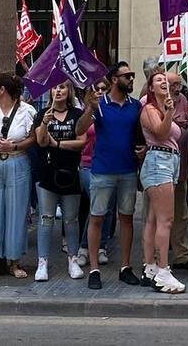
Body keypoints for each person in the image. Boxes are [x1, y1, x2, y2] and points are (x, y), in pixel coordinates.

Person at [76, 61, 144, 290]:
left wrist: (143, 150)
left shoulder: (136, 106)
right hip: (102, 170)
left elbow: (142, 135)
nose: (132, 79)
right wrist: (89, 109)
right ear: (114, 79)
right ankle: (94, 269)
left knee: (126, 218)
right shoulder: (100, 104)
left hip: (127, 170)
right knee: (97, 217)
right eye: (128, 76)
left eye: (132, 75)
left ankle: (125, 267)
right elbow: (79, 130)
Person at [0, 72, 36, 285]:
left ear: (2, 90)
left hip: (17, 161)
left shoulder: (27, 110)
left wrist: (15, 146)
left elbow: (33, 138)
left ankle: (14, 260)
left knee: (16, 212)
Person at [138, 69, 186, 293]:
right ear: (151, 88)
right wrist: (168, 112)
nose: (164, 82)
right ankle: (164, 271)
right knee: (166, 220)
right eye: (159, 80)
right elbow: (160, 132)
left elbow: (174, 133)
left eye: (166, 80)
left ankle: (150, 267)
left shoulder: (162, 109)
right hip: (159, 161)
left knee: (153, 219)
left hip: (167, 162)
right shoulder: (149, 108)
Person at [34, 80, 86, 282]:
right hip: (47, 173)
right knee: (46, 218)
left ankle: (73, 260)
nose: (59, 90)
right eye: (55, 87)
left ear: (69, 90)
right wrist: (46, 123)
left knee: (71, 220)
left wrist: (58, 144)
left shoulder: (77, 115)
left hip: (71, 172)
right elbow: (41, 141)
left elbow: (81, 142)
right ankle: (42, 262)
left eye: (63, 87)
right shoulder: (42, 114)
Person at [76, 78, 115, 268]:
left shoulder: (110, 110)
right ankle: (84, 247)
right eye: (96, 88)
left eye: (103, 89)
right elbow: (80, 134)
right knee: (97, 206)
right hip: (88, 164)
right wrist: (91, 109)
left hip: (109, 164)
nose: (100, 91)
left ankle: (101, 246)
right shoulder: (88, 112)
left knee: (106, 208)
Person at [165, 70, 188, 274]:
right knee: (158, 215)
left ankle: (181, 256)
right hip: (160, 167)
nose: (178, 88)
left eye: (179, 84)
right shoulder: (149, 102)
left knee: (181, 213)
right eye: (173, 84)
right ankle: (152, 258)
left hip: (182, 165)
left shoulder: (184, 100)